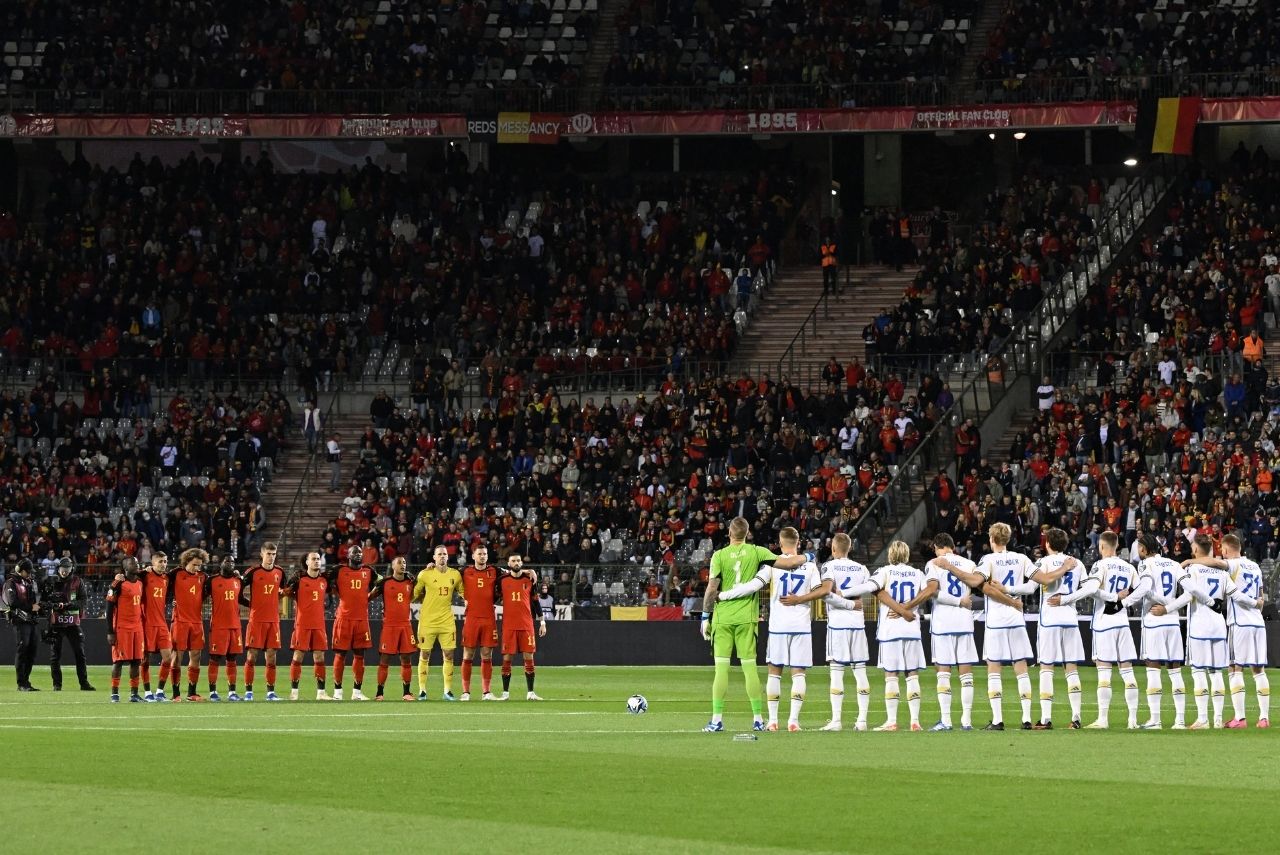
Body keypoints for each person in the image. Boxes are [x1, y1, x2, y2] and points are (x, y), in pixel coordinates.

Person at [700, 516, 808, 732]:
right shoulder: (757, 551)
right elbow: (788, 562)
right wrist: (807, 556)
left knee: (721, 670)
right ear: (748, 534)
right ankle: (758, 719)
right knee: (749, 669)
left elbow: (712, 588)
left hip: (723, 618)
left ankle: (716, 720)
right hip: (747, 618)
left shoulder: (719, 556)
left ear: (729, 533)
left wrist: (705, 616)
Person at [717, 526, 827, 732]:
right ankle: (794, 721)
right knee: (799, 674)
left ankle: (773, 721)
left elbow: (752, 586)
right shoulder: (810, 566)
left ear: (780, 542)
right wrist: (800, 599)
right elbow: (820, 592)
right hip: (801, 626)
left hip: (778, 626)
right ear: (798, 543)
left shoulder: (773, 565)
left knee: (774, 673)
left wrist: (723, 595)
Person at [936, 522, 1035, 730]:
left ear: (991, 539)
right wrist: (1015, 598)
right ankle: (1026, 719)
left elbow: (977, 583)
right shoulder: (1021, 558)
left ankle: (998, 720)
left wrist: (950, 567)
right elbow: (1034, 584)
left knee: (994, 668)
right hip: (1016, 620)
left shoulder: (987, 560)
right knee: (1021, 668)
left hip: (996, 622)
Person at [1053, 531, 1139, 729]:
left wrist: (1066, 599)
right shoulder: (1128, 567)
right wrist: (1122, 601)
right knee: (1127, 671)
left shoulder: (1100, 565)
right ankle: (1132, 720)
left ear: (1101, 547)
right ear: (1116, 546)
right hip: (1123, 623)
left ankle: (1103, 719)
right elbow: (1141, 589)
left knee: (1104, 672)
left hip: (1104, 624)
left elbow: (1091, 589)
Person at [1154, 535, 1231, 729]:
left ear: (1195, 550)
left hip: (1199, 626)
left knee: (1198, 671)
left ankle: (1203, 719)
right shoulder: (1222, 572)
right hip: (1219, 626)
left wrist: (1167, 609)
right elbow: (1234, 593)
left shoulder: (1192, 569)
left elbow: (1188, 596)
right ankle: (1219, 719)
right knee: (1216, 672)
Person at [909, 534, 983, 731]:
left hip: (943, 623)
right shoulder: (969, 563)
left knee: (943, 672)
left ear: (937, 547)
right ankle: (966, 721)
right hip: (965, 622)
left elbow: (932, 590)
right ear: (952, 546)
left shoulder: (933, 563)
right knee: (966, 673)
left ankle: (946, 720)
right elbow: (978, 585)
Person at [1197, 534, 1269, 728]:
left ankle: (1240, 718)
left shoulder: (1234, 564)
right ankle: (1264, 718)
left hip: (1240, 623)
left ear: (1227, 549)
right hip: (1258, 623)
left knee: (1234, 668)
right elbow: (1261, 596)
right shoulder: (1254, 566)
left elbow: (1211, 563)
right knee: (1258, 670)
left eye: (1222, 549)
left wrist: (1189, 560)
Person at [1127, 535, 1188, 729]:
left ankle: (1155, 719)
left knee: (1152, 667)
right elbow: (1189, 593)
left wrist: (1124, 602)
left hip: (1154, 619)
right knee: (1175, 669)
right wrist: (1170, 607)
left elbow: (1144, 589)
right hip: (1173, 621)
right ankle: (1180, 720)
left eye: (1139, 548)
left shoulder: (1145, 565)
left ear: (1144, 549)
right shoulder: (1174, 564)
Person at [1025, 528, 1084, 729]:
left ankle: (1046, 718)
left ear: (1047, 544)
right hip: (1070, 619)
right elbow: (1088, 588)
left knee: (1046, 668)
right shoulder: (1077, 563)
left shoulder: (1043, 563)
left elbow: (1029, 588)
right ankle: (1076, 717)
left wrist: (1006, 590)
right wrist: (1068, 599)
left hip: (1049, 620)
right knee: (1071, 668)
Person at [817, 532, 876, 731]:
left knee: (837, 672)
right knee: (860, 672)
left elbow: (827, 595)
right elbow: (870, 590)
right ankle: (862, 721)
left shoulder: (829, 566)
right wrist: (855, 603)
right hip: (858, 625)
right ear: (849, 548)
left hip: (838, 624)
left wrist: (847, 604)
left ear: (834, 549)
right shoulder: (861, 568)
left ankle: (836, 721)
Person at [868, 541, 926, 732]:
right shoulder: (918, 573)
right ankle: (915, 721)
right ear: (907, 555)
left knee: (891, 675)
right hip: (912, 628)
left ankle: (892, 721)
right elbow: (928, 592)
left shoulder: (885, 571)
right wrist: (906, 610)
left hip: (891, 630)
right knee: (912, 674)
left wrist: (898, 609)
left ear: (890, 554)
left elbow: (874, 589)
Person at [414, 545, 462, 700]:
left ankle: (447, 691)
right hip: (427, 621)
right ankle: (422, 690)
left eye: (445, 554)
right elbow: (413, 594)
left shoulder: (455, 575)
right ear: (434, 558)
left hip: (447, 621)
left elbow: (464, 594)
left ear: (448, 557)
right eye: (439, 554)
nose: (442, 556)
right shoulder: (424, 574)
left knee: (449, 655)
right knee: (425, 653)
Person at [40, 558, 94, 691]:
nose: (65, 571)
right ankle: (56, 685)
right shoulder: (50, 581)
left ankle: (84, 683)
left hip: (72, 623)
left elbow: (83, 601)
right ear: (58, 569)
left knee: (79, 654)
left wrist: (68, 605)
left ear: (71, 569)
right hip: (56, 623)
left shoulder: (77, 581)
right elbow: (43, 602)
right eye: (63, 569)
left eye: (67, 569)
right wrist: (51, 605)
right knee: (55, 655)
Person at [241, 542, 285, 701]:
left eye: (274, 554)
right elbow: (238, 588)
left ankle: (270, 692)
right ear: (262, 554)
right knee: (252, 656)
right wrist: (250, 604)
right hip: (256, 620)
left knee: (272, 657)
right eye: (268, 554)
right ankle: (248, 692)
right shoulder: (252, 572)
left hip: (273, 621)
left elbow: (284, 590)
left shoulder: (280, 572)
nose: (271, 557)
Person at [285, 552, 332, 701]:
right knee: (298, 656)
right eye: (314, 559)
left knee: (319, 657)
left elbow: (330, 595)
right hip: (302, 624)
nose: (317, 561)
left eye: (318, 559)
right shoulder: (299, 578)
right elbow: (287, 591)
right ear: (307, 562)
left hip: (319, 625)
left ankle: (321, 693)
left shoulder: (324, 580)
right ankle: (294, 692)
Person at [498, 554, 546, 700]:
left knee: (529, 657)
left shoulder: (530, 580)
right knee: (507, 658)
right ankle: (505, 693)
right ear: (508, 563)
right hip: (509, 626)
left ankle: (530, 693)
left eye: (518, 560)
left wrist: (542, 622)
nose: (516, 562)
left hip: (526, 625)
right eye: (513, 560)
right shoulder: (502, 580)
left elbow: (536, 602)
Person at [330, 546, 374, 701]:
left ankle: (356, 692)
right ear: (347, 555)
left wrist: (369, 597)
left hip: (362, 619)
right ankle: (337, 691)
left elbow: (382, 583)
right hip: (344, 619)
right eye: (355, 552)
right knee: (340, 654)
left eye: (360, 553)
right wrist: (334, 593)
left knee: (360, 656)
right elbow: (325, 580)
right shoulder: (339, 570)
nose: (358, 555)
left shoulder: (368, 571)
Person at [371, 557, 416, 701]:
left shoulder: (410, 582)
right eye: (399, 563)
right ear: (392, 565)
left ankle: (407, 693)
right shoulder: (384, 583)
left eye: (404, 563)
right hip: (389, 626)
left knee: (406, 659)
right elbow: (369, 597)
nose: (403, 565)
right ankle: (379, 693)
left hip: (405, 625)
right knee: (385, 659)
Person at [460, 544, 500, 701]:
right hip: (472, 618)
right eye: (479, 554)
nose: (482, 556)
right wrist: (432, 566)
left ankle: (486, 692)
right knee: (468, 654)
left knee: (486, 654)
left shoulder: (495, 571)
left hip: (489, 618)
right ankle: (465, 692)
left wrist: (528, 571)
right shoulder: (465, 571)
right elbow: (447, 575)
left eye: (485, 554)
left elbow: (513, 572)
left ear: (487, 556)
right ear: (473, 556)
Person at [170, 547, 209, 701]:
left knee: (196, 656)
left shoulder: (204, 577)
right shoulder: (176, 574)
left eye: (199, 565)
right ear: (186, 562)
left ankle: (192, 693)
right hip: (180, 621)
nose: (197, 568)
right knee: (177, 656)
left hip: (196, 621)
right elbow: (160, 583)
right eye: (194, 564)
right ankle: (175, 694)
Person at [105, 557, 145, 702]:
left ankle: (134, 694)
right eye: (133, 563)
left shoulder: (140, 583)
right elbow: (108, 609)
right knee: (118, 661)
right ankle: (114, 694)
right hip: (122, 629)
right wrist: (110, 631)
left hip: (137, 628)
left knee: (136, 661)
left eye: (137, 562)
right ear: (125, 567)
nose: (136, 564)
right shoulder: (117, 585)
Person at [206, 557, 244, 702]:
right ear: (221, 563)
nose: (230, 564)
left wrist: (255, 605)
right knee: (215, 658)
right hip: (218, 626)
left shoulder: (238, 581)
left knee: (232, 659)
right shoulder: (212, 580)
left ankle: (232, 692)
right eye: (227, 561)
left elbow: (240, 599)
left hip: (235, 625)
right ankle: (212, 692)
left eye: (233, 562)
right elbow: (201, 596)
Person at [2, 559, 42, 691]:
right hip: (19, 620)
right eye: (27, 571)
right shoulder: (10, 583)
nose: (30, 574)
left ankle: (26, 681)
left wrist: (36, 607)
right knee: (23, 648)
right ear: (20, 570)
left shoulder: (29, 582)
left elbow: (32, 600)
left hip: (30, 620)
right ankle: (21, 683)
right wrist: (31, 607)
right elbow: (13, 602)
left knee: (32, 650)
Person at [139, 552, 173, 701]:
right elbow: (129, 574)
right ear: (152, 563)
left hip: (161, 623)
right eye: (160, 561)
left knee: (167, 657)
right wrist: (141, 571)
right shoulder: (145, 576)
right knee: (145, 659)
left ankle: (159, 691)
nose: (163, 564)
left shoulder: (166, 578)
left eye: (165, 561)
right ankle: (147, 692)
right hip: (146, 624)